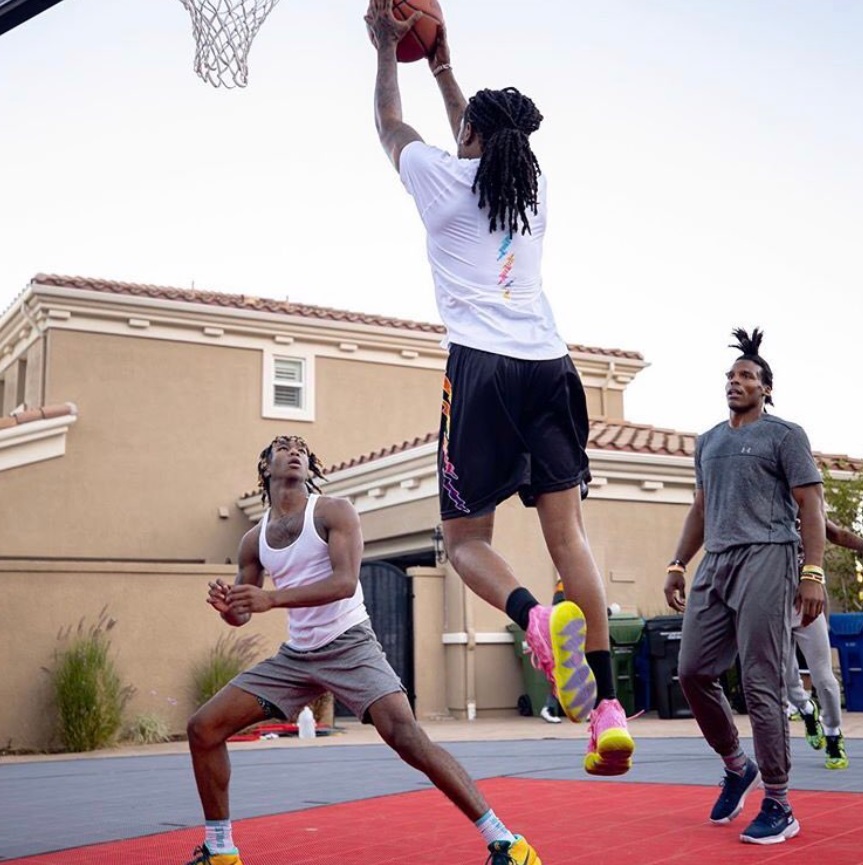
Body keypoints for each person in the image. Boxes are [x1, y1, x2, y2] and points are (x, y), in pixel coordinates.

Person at [364, 0, 634, 778]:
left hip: (480, 369)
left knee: (464, 542)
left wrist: (388, 50)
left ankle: (533, 618)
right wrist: (447, 67)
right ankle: (608, 711)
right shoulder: (533, 189)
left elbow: (390, 124)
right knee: (566, 538)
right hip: (551, 364)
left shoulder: (439, 180)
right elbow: (476, 136)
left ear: (472, 138)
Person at [183, 435, 542, 865]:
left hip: (350, 644)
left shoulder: (334, 512)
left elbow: (345, 583)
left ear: (309, 466)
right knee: (203, 728)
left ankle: (508, 843)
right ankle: (221, 852)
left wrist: (272, 600)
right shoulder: (253, 541)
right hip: (297, 657)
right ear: (267, 467)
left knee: (406, 737)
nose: (294, 451)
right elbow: (245, 610)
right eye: (283, 447)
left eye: (301, 448)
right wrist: (230, 610)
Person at [663, 327, 826, 845]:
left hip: (769, 556)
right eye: (732, 376)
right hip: (717, 560)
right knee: (691, 671)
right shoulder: (708, 441)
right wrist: (677, 562)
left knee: (760, 679)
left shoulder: (785, 435)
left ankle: (779, 802)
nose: (736, 382)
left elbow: (811, 507)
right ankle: (737, 764)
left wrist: (813, 571)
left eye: (748, 376)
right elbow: (701, 507)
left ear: (767, 389)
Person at [785, 519, 861, 771]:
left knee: (824, 678)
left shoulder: (805, 500)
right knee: (784, 676)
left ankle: (833, 734)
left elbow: (838, 533)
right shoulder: (758, 504)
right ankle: (807, 709)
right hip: (772, 602)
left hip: (807, 600)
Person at [539, 579, 566, 724]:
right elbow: (560, 606)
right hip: (561, 637)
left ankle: (583, 709)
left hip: (568, 636)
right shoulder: (563, 584)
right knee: (560, 676)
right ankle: (548, 707)